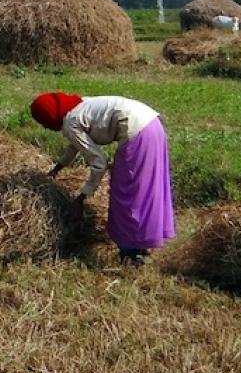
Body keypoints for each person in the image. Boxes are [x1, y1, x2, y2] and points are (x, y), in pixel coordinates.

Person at [30, 92, 175, 266]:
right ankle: (141, 247)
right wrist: (57, 169)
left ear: (50, 116)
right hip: (152, 125)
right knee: (146, 190)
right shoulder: (78, 106)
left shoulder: (70, 122)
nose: (45, 128)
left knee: (125, 194)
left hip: (137, 133)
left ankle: (131, 254)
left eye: (43, 122)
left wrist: (82, 197)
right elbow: (75, 145)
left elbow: (99, 164)